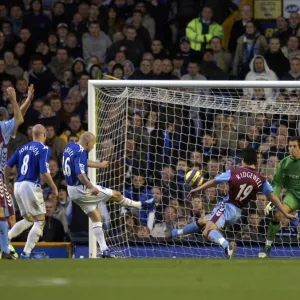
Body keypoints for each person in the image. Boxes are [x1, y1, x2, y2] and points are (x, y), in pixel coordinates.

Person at [171, 148, 296, 258]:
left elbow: (214, 181)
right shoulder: (261, 179)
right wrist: (285, 212)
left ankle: (227, 246)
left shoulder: (235, 172)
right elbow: (273, 197)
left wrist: (197, 189)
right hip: (237, 213)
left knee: (207, 230)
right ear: (256, 162)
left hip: (226, 207)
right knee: (203, 220)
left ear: (242, 160)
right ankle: (177, 233)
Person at [62, 132, 156, 258]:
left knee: (96, 217)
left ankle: (104, 249)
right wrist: (91, 187)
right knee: (116, 195)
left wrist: (99, 165)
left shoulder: (70, 147)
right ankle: (141, 205)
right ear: (87, 142)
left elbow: (81, 163)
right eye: (93, 145)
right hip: (82, 188)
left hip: (72, 190)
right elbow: (80, 173)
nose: (92, 148)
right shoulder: (81, 151)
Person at [4, 124, 58, 259]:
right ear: (44, 135)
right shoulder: (44, 148)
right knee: (40, 221)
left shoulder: (22, 148)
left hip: (18, 185)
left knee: (28, 220)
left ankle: (4, 242)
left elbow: (6, 166)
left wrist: (6, 183)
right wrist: (54, 187)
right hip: (30, 185)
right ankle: (26, 253)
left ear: (32, 135)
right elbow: (44, 172)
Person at [259, 137, 300, 258]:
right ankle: (267, 246)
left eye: (294, 146)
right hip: (293, 195)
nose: (292, 149)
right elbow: (277, 183)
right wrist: (273, 201)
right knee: (278, 215)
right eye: (290, 146)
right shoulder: (284, 163)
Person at [0, 87, 24, 259]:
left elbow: (16, 119)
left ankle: (6, 249)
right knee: (6, 214)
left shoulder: (5, 128)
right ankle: (6, 250)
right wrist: (14, 99)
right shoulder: (2, 127)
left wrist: (27, 101)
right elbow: (19, 119)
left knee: (7, 213)